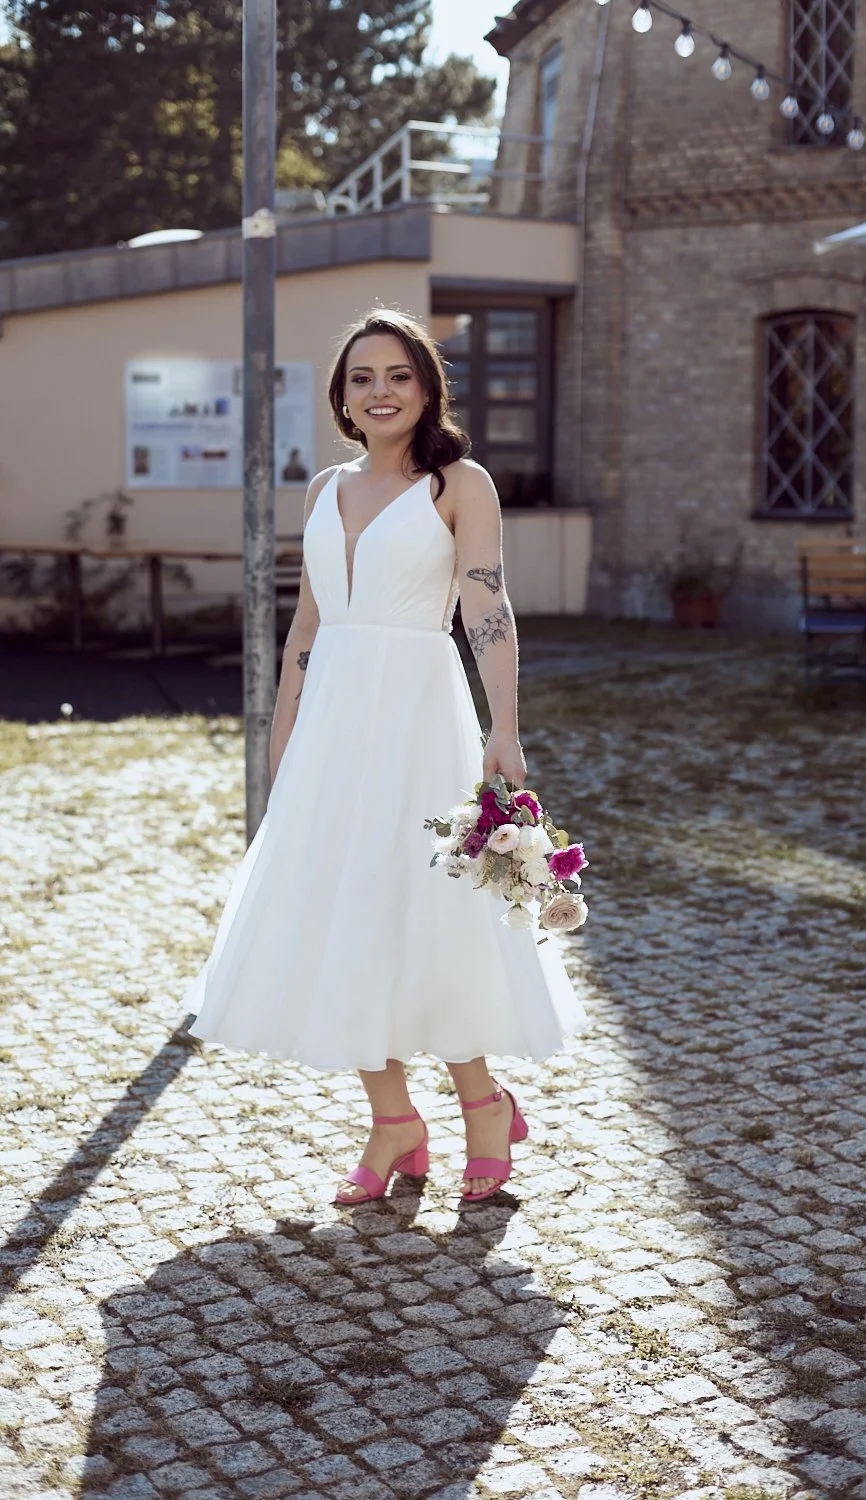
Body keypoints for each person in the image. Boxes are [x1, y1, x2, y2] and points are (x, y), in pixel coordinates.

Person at [185, 308, 586, 1204]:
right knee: (339, 906)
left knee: (428, 908)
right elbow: (309, 620)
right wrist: (284, 727)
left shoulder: (459, 483)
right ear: (341, 395)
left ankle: (484, 1106)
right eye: (362, 377)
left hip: (417, 710)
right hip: (332, 720)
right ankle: (394, 1119)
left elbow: (488, 608)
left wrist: (504, 728)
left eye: (398, 376)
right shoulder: (323, 487)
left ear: (426, 387)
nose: (379, 392)